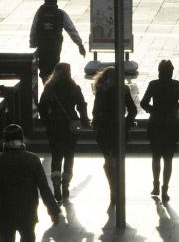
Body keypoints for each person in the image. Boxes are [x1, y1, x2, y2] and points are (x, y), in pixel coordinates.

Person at [0, 124, 61, 242]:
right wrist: (53, 210)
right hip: (27, 211)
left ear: (5, 140)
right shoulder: (32, 160)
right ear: (22, 139)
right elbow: (44, 188)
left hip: (4, 212)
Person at [38, 63, 89, 203]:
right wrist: (84, 120)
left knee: (56, 154)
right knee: (69, 154)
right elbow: (81, 104)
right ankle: (66, 184)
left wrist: (47, 120)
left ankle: (55, 181)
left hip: (54, 125)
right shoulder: (74, 87)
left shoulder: (49, 88)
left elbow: (42, 106)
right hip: (70, 125)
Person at [140, 60, 179, 202]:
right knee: (168, 158)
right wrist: (174, 107)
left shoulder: (153, 84)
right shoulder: (177, 85)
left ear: (159, 71)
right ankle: (165, 188)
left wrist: (153, 111)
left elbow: (144, 102)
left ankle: (156, 184)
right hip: (172, 125)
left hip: (156, 123)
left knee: (156, 156)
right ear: (171, 71)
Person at [91, 66, 137, 206]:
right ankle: (119, 187)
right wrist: (127, 123)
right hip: (119, 128)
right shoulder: (123, 89)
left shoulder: (100, 90)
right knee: (119, 161)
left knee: (108, 161)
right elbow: (133, 110)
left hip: (104, 129)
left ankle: (113, 189)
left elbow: (95, 110)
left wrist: (96, 123)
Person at [30, 0, 86, 83]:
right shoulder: (61, 14)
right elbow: (71, 30)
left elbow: (34, 28)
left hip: (42, 46)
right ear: (56, 2)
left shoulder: (39, 13)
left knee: (43, 68)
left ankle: (46, 86)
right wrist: (80, 44)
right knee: (53, 66)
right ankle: (51, 85)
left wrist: (32, 42)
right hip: (55, 46)